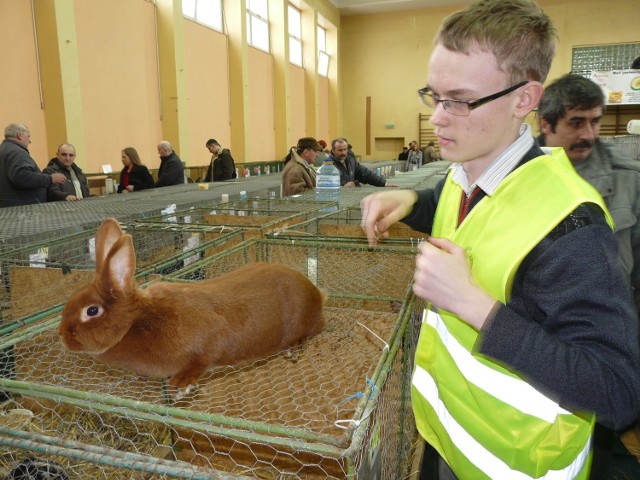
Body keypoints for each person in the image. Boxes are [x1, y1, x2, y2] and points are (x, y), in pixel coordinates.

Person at [359, 1, 640, 479]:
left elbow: (616, 390)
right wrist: (411, 200)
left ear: (524, 100)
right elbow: (473, 213)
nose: (438, 118)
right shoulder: (461, 175)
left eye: (461, 100)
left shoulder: (571, 226)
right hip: (447, 435)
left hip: (516, 464)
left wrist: (476, 307)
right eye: (434, 95)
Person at [538, 73, 640, 479]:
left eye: (595, 121)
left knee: (597, 451)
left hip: (603, 340)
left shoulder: (627, 179)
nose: (589, 134)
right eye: (576, 123)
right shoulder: (516, 176)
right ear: (546, 124)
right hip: (540, 340)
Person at [0, 123, 66, 207]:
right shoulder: (17, 152)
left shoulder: (4, 149)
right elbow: (22, 177)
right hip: (23, 207)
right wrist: (50, 179)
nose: (30, 141)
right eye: (28, 136)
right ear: (19, 136)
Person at [329, 138, 398, 187]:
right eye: (340, 150)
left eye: (345, 149)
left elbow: (365, 173)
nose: (343, 152)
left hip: (350, 195)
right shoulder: (328, 165)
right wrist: (342, 187)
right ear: (333, 150)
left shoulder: (351, 161)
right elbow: (326, 185)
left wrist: (384, 183)